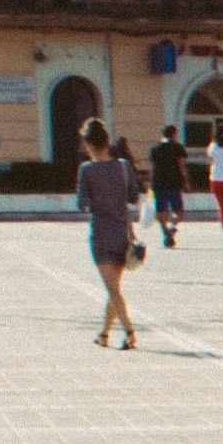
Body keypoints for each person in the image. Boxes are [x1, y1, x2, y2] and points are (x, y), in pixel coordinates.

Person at [76, 116, 144, 348]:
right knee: (113, 288)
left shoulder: (87, 170)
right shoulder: (124, 166)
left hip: (102, 235)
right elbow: (134, 196)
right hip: (124, 234)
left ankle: (130, 332)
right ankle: (104, 335)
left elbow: (81, 204)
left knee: (113, 289)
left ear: (89, 144)